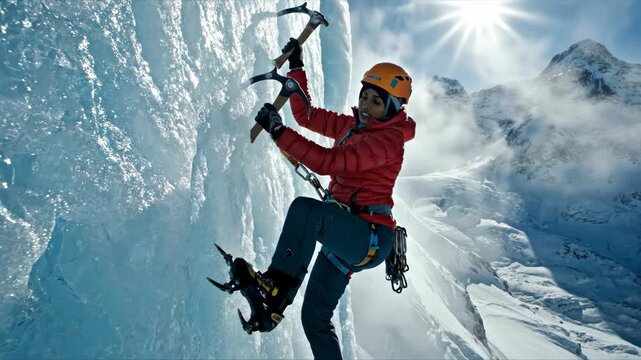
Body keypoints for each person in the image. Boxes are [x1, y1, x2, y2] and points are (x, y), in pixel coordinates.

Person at [251, 38, 415, 359]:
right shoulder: (353, 127)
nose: (366, 107)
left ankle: (275, 289)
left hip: (369, 238)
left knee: (307, 211)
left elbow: (328, 162)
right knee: (314, 320)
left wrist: (278, 131)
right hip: (345, 239)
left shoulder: (388, 142)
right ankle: (277, 298)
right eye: (364, 97)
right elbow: (308, 116)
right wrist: (297, 70)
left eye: (376, 102)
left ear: (393, 108)